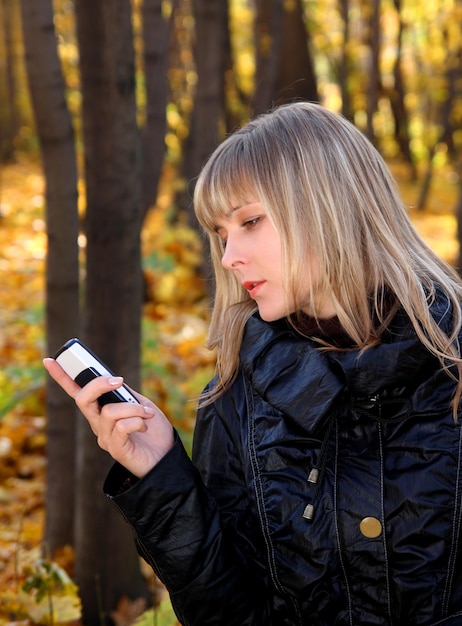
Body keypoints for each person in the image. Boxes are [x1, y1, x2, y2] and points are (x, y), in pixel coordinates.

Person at [44, 102, 462, 626]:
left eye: (250, 221)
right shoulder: (236, 392)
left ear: (330, 203)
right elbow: (229, 614)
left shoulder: (453, 364)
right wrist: (161, 474)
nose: (228, 256)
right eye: (221, 233)